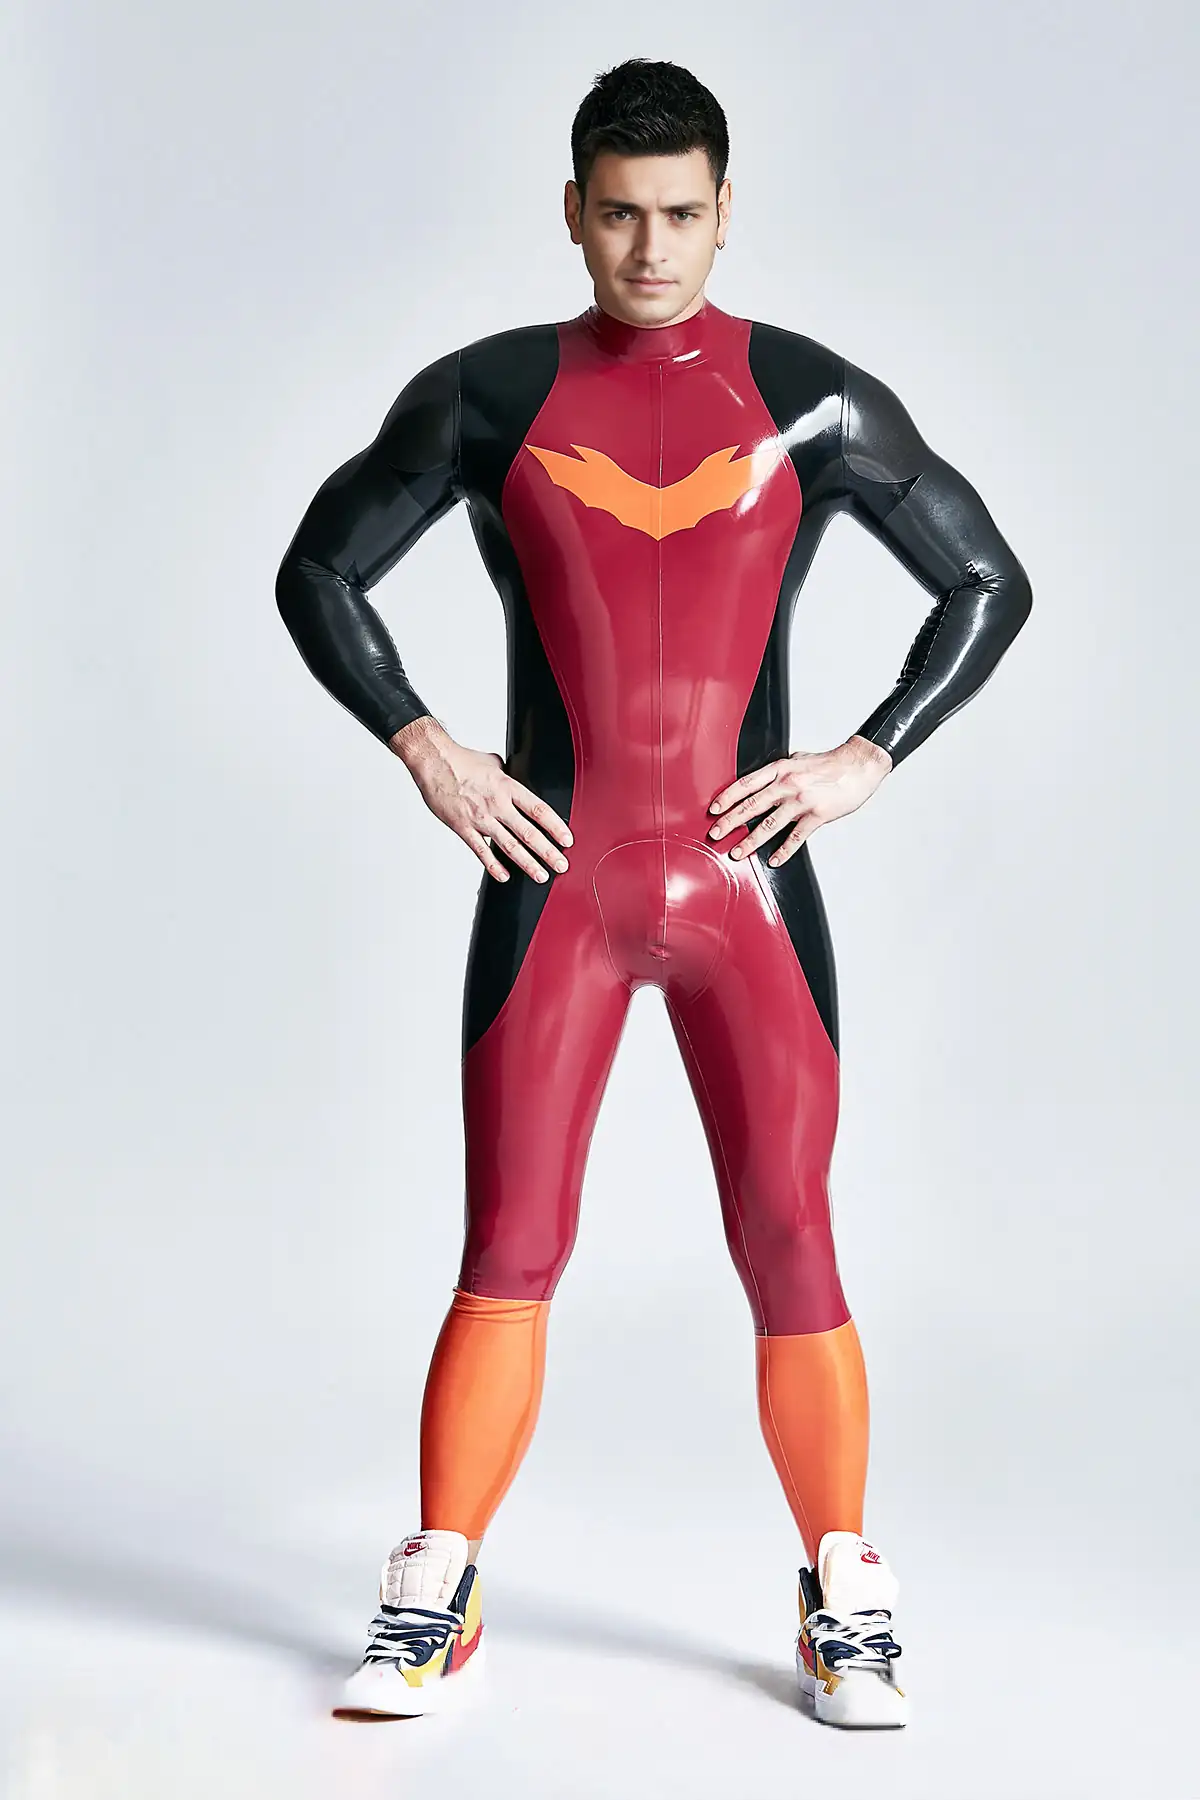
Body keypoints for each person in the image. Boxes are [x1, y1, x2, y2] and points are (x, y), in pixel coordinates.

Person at [275, 57, 1032, 1730]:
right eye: (618, 215)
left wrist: (866, 756)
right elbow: (318, 566)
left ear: (725, 209)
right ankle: (439, 1584)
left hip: (749, 889)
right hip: (558, 882)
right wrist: (425, 746)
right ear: (572, 211)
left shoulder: (815, 403)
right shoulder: (486, 397)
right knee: (510, 1238)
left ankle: (844, 1590)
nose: (649, 250)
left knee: (789, 1229)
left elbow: (988, 578)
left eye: (680, 214)